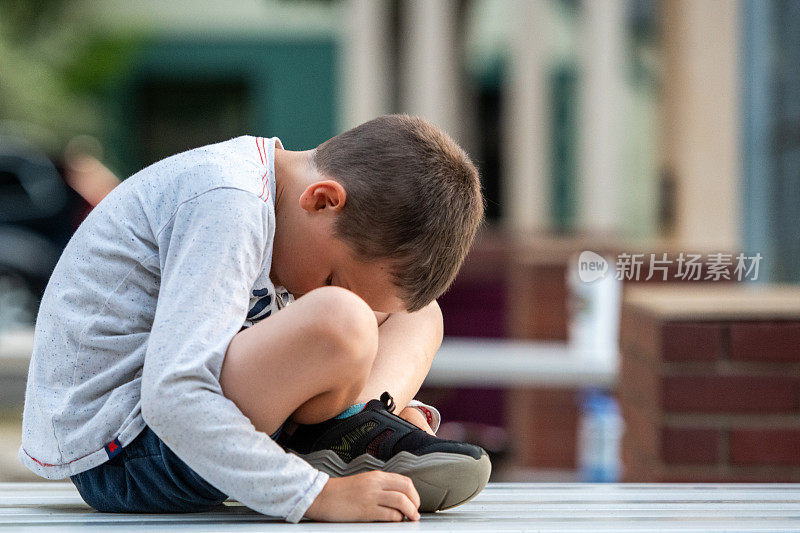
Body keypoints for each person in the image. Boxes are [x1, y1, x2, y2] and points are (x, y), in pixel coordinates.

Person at [18, 115, 489, 523]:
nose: (320, 292)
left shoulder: (281, 204)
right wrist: (313, 496)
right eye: (333, 278)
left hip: (194, 420)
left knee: (417, 315)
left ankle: (356, 426)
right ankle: (336, 447)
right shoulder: (229, 200)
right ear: (322, 200)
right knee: (343, 320)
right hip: (130, 451)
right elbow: (171, 394)